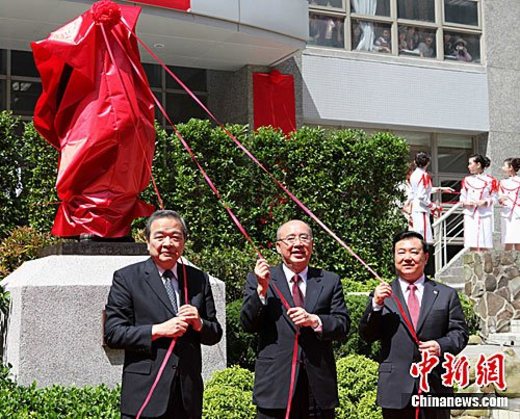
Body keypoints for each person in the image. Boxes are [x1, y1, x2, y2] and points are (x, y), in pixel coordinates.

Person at [104, 210, 223, 419]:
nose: (168, 243)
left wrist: (199, 323)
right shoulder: (127, 278)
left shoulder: (198, 279)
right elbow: (113, 333)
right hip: (145, 394)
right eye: (160, 237)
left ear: (183, 242)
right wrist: (158, 330)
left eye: (175, 237)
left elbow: (215, 333)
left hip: (186, 397)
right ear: (147, 241)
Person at [241, 220, 350, 419]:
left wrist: (315, 321)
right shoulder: (261, 278)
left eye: (304, 238)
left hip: (317, 387)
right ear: (278, 246)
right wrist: (261, 290)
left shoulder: (329, 280)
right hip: (275, 385)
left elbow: (342, 325)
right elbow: (248, 324)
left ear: (312, 245)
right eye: (290, 238)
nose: (298, 244)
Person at [359, 231, 468, 419]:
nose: (407, 258)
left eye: (414, 252)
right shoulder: (383, 295)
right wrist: (376, 305)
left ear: (425, 257)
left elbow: (460, 333)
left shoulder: (446, 294)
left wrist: (440, 345)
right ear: (394, 257)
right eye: (401, 252)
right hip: (395, 388)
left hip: (434, 385)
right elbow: (367, 335)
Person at [408, 152, 453, 244]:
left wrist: (440, 189)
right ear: (428, 163)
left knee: (418, 237)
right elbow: (421, 196)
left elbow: (423, 191)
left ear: (415, 162)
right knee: (423, 239)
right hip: (422, 210)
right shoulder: (424, 175)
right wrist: (433, 206)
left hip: (416, 209)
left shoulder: (414, 175)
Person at [459, 154, 498, 251]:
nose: (468, 166)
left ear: (478, 164)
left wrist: (485, 202)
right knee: (471, 242)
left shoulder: (491, 180)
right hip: (470, 214)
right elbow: (462, 197)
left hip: (484, 214)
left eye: (470, 163)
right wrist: (466, 203)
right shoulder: (467, 180)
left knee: (484, 242)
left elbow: (495, 198)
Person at [498, 157, 520, 250]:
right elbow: (499, 196)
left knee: (518, 240)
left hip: (517, 213)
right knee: (507, 239)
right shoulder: (502, 182)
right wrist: (501, 199)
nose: (502, 168)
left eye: (504, 166)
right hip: (506, 213)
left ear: (510, 167)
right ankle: (507, 259)